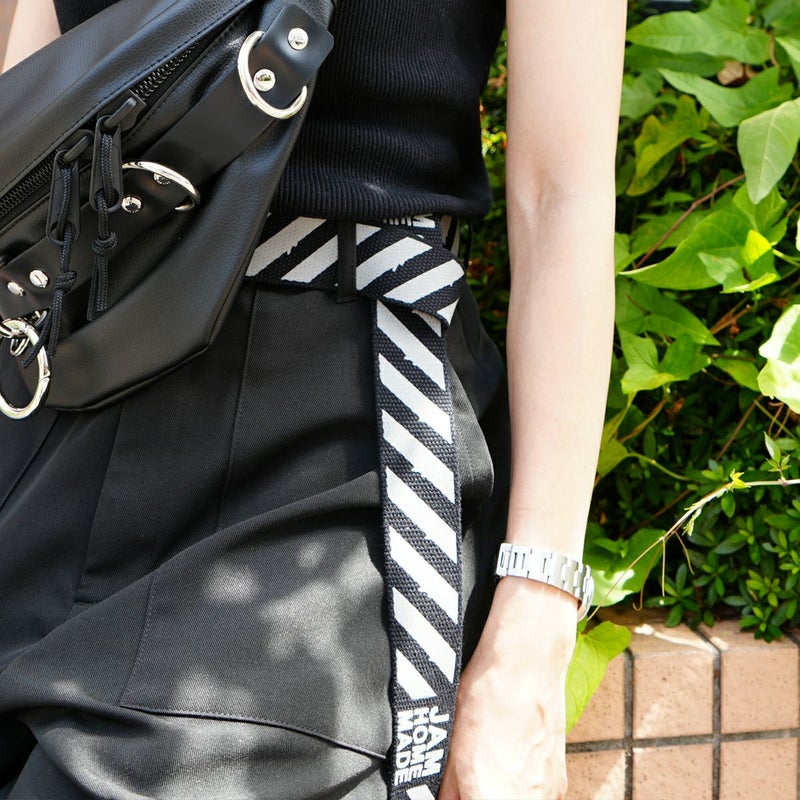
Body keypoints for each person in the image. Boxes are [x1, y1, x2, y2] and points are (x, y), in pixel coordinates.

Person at [0, 0, 625, 797]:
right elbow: (34, 121)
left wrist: (533, 633)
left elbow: (562, 197)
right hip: (56, 395)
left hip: (331, 424)